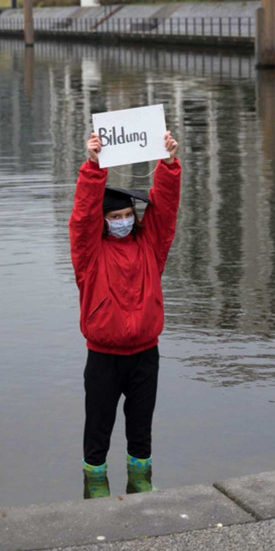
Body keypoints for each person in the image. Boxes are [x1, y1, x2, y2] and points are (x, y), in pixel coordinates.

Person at [69, 131, 180, 498]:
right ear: (104, 221)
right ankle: (95, 487)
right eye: (114, 216)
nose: (122, 221)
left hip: (145, 355)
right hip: (103, 356)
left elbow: (164, 212)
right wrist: (94, 165)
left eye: (128, 215)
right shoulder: (89, 256)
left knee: (141, 428)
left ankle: (140, 483)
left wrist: (167, 166)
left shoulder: (151, 247)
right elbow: (82, 217)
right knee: (98, 428)